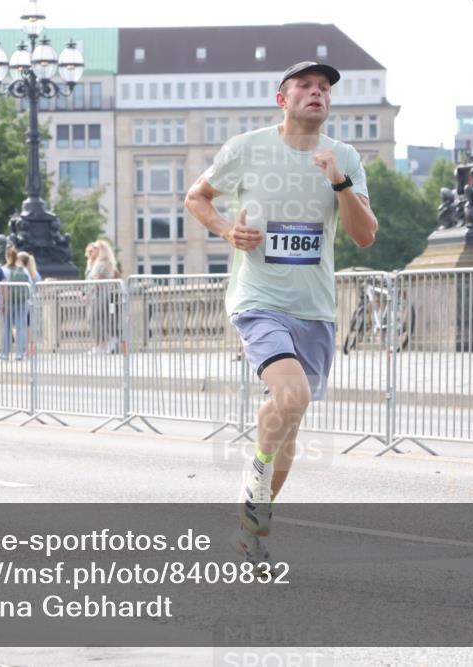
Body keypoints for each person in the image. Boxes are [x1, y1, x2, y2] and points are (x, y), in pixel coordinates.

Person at [185, 61, 377, 570]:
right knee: (292, 395)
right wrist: (227, 231)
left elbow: (364, 235)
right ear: (282, 99)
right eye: (306, 87)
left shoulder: (345, 156)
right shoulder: (246, 148)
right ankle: (256, 480)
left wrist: (339, 182)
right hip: (258, 299)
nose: (317, 94)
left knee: (289, 422)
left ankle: (251, 528)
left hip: (314, 309)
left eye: (324, 89)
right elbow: (196, 197)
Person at [84, 240, 121, 353]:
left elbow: (98, 280)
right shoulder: (99, 262)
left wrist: (88, 295)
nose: (92, 248)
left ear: (102, 250)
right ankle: (103, 344)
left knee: (93, 319)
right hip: (100, 294)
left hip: (100, 294)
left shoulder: (103, 263)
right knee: (98, 319)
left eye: (95, 247)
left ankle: (106, 343)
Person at [3, 253, 32, 361]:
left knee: (7, 327)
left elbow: (2, 287)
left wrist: (3, 302)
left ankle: (5, 353)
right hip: (23, 302)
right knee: (21, 328)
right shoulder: (24, 270)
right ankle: (20, 353)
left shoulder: (5, 270)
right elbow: (30, 286)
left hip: (9, 301)